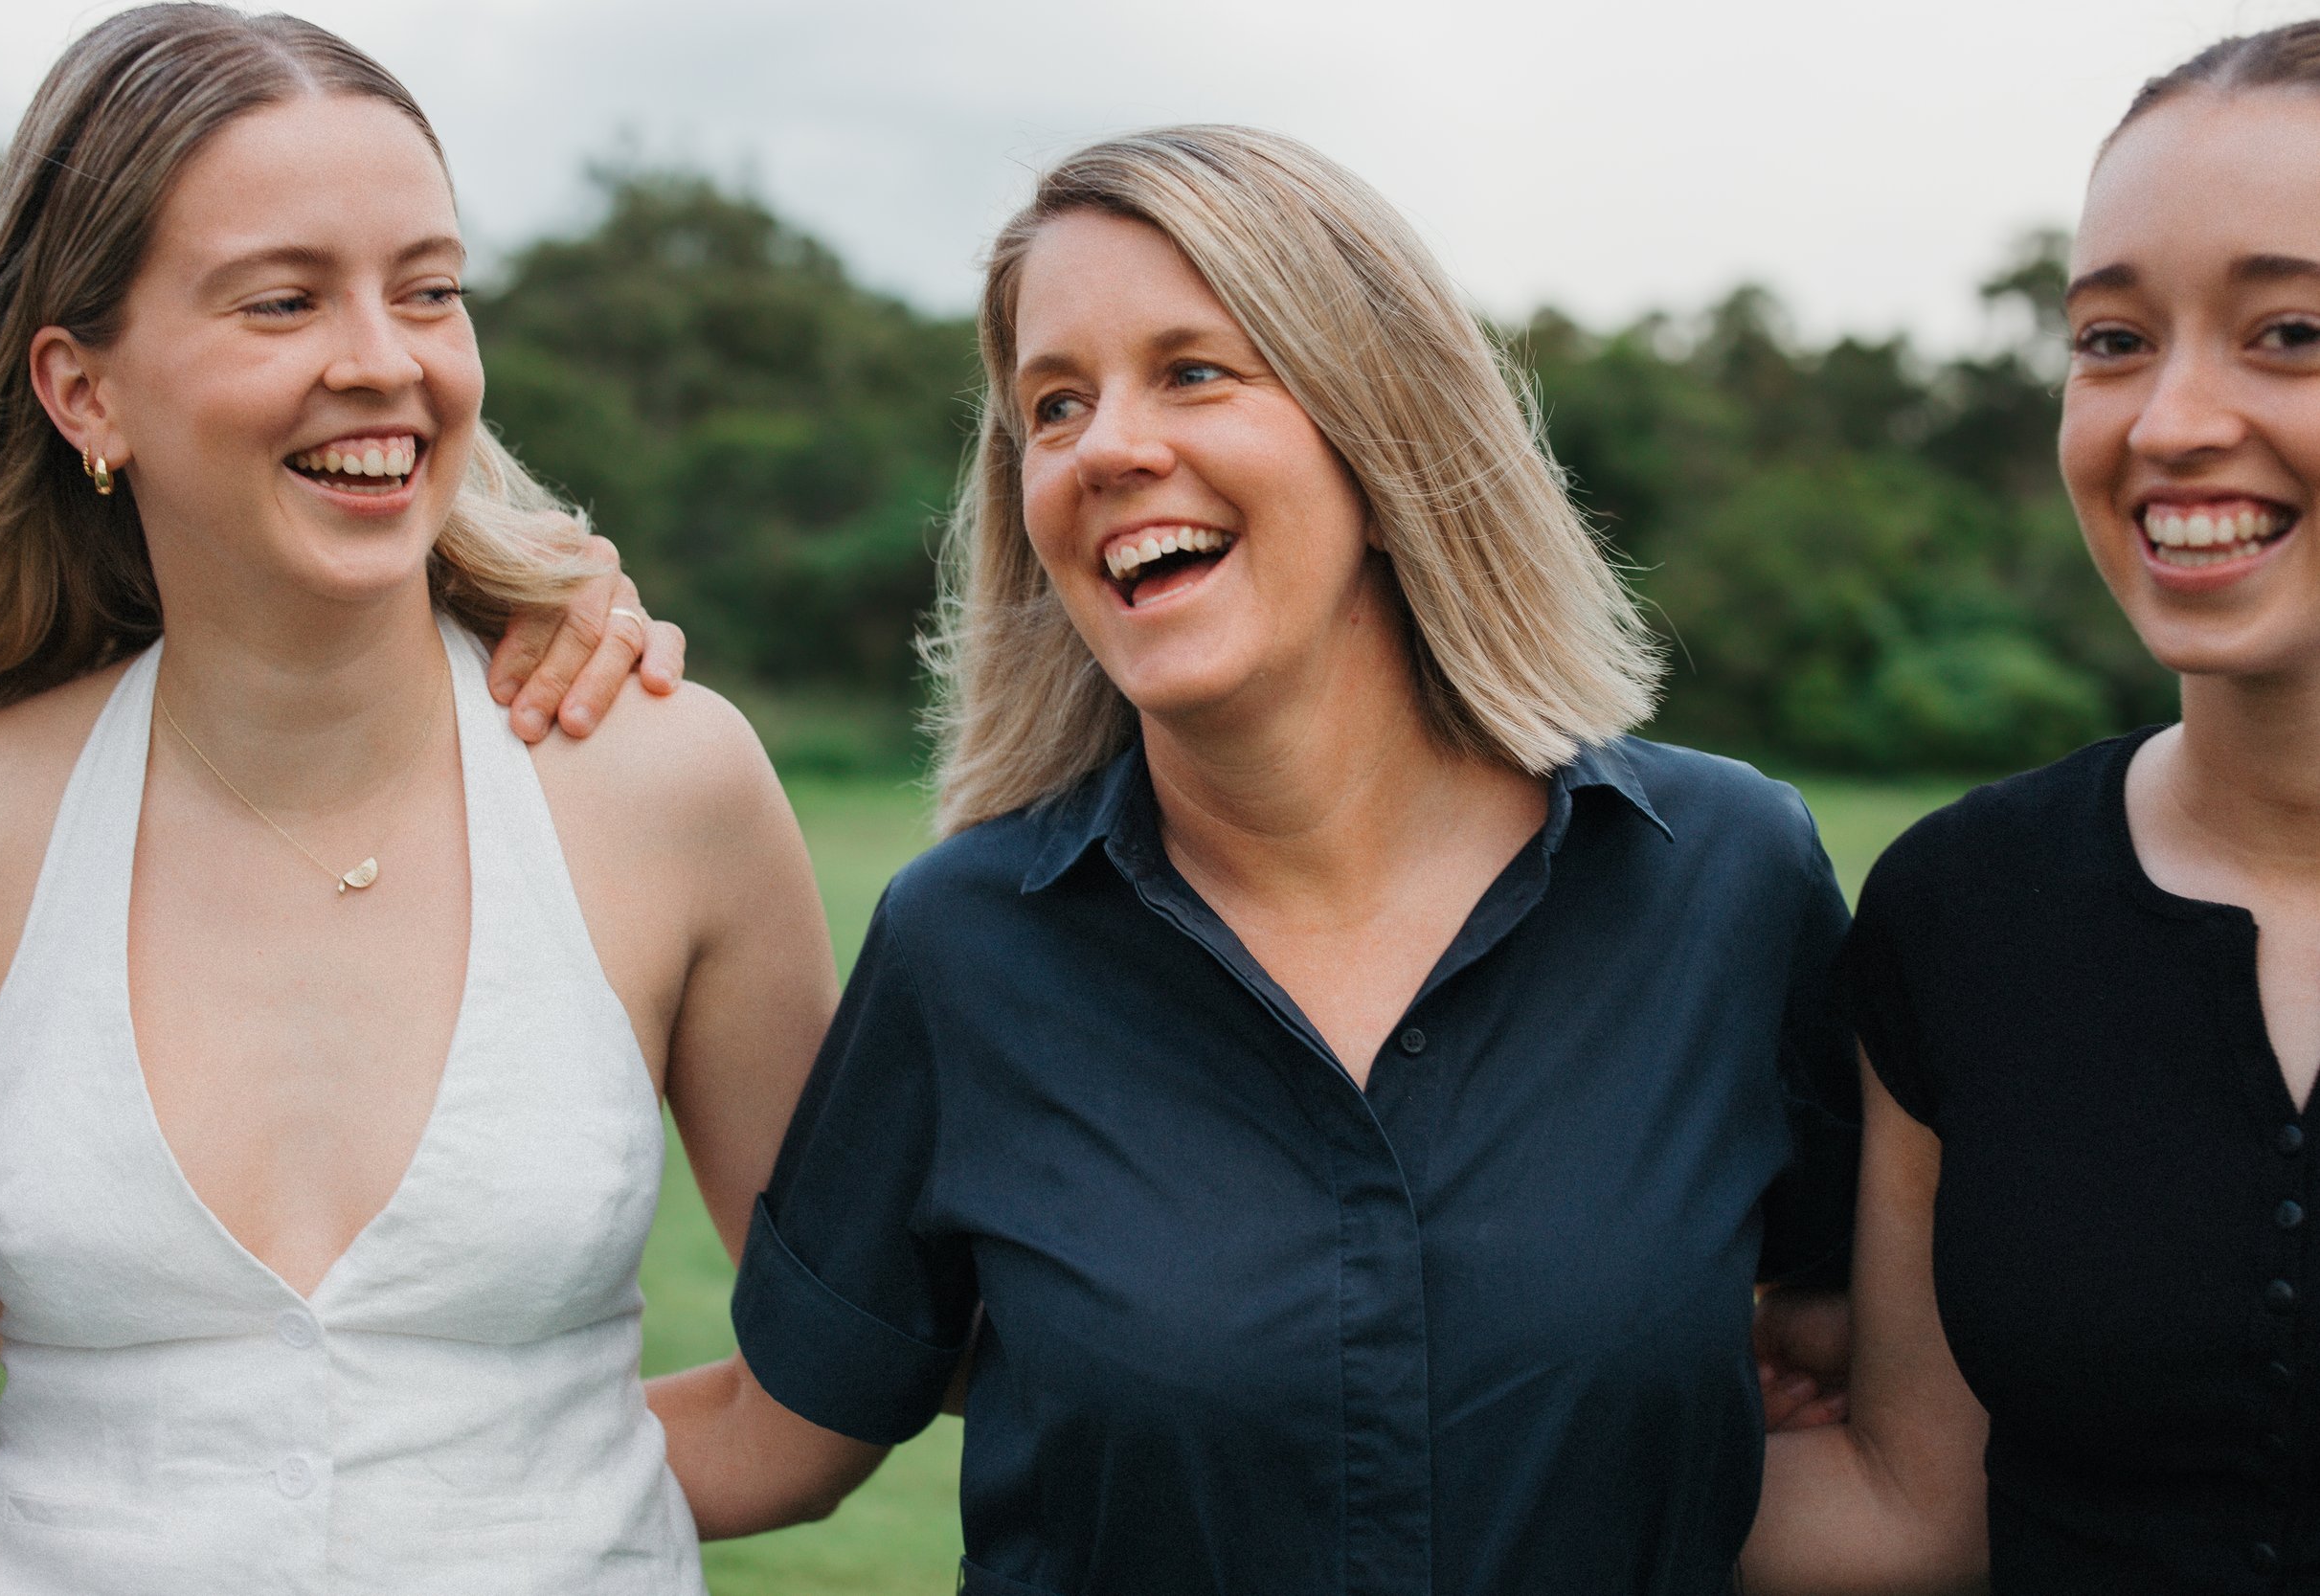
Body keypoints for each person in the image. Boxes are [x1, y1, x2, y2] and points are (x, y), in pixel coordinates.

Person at [647, 124, 1861, 1596]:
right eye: (1054, 406)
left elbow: (1843, 1364)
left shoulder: (1726, 879)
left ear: (1380, 418)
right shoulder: (965, 948)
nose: (1108, 448)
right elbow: (783, 1433)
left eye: (1194, 369)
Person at [0, 7, 836, 1589]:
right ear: (85, 393)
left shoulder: (669, 783)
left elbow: (833, 1391)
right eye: (283, 300)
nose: (387, 360)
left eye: (429, 289)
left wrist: (515, 1497)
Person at [1743, 21, 2320, 1594]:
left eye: (2290, 332)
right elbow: (1908, 1522)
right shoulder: (1965, 910)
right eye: (2114, 340)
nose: (2169, 421)